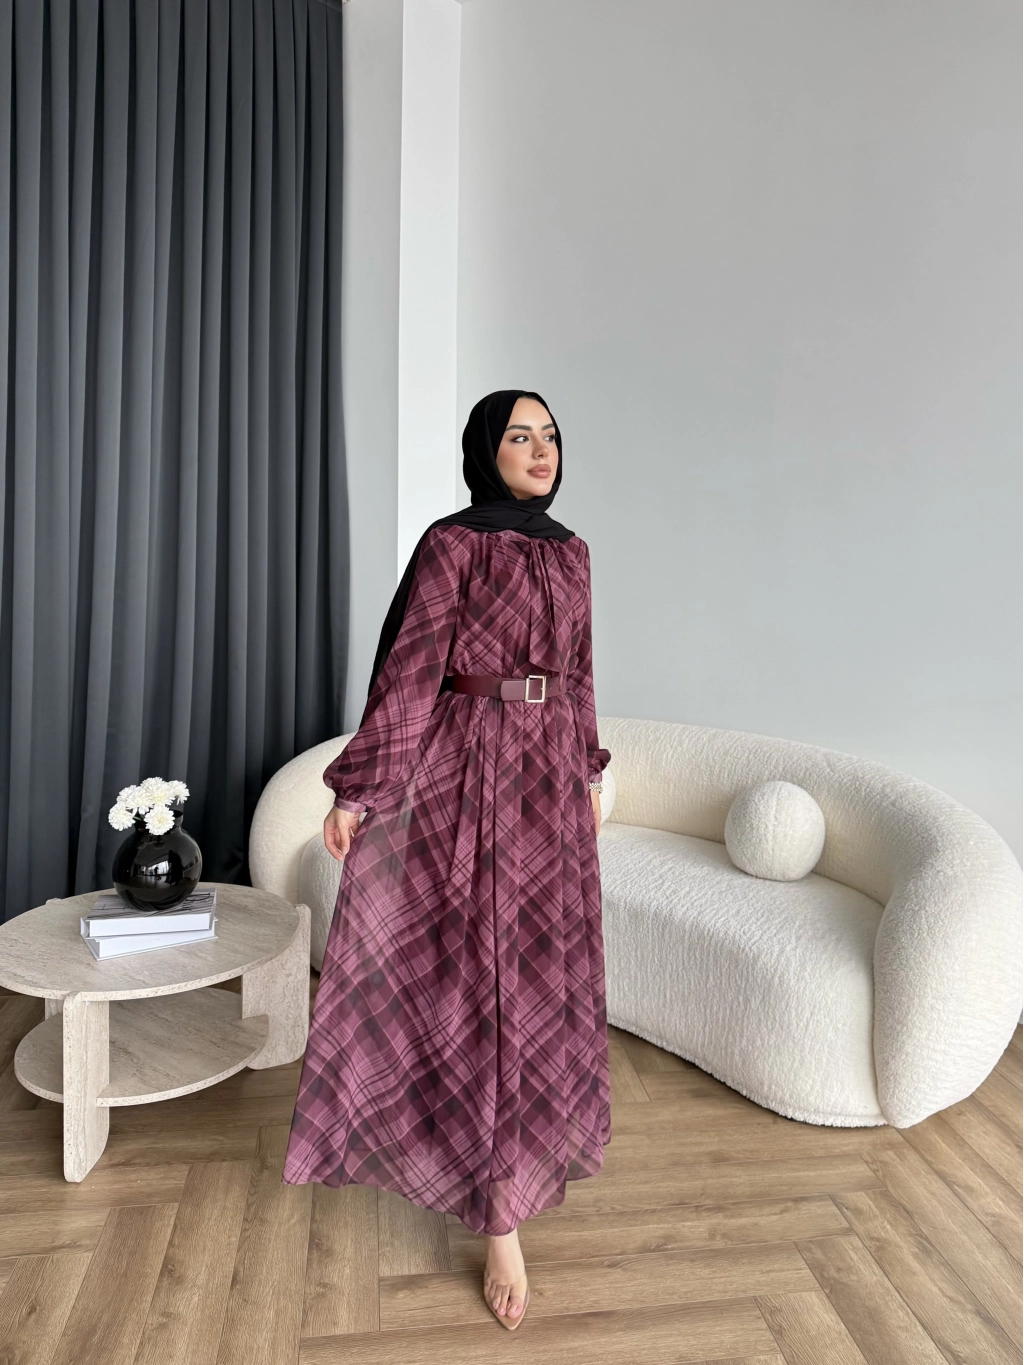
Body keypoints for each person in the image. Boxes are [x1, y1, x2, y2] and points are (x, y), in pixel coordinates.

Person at [282, 388, 612, 1331]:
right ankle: (496, 1211)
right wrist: (360, 788)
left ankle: (513, 1171)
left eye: (551, 436)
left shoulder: (573, 552)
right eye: (520, 436)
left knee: (534, 982)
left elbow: (580, 673)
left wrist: (589, 769)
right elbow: (411, 668)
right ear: (485, 451)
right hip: (463, 772)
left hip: (549, 782)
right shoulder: (452, 543)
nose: (541, 451)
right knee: (472, 978)